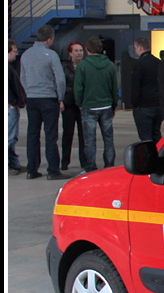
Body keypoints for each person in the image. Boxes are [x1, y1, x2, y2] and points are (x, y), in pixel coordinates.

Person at [19, 24, 68, 180]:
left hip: (32, 99)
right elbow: (60, 79)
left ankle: (31, 170)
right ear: (49, 40)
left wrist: (29, 93)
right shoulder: (51, 55)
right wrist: (60, 97)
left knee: (32, 134)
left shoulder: (25, 55)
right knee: (50, 135)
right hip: (48, 99)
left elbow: (23, 78)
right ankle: (53, 170)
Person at [75, 36, 117, 173]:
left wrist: (80, 103)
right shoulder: (110, 65)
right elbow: (114, 88)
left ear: (87, 50)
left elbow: (78, 88)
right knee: (108, 139)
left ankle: (91, 168)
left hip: (89, 107)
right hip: (106, 106)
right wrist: (114, 105)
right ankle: (109, 166)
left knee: (89, 141)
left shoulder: (82, 66)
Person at [60, 41, 87, 171]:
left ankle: (84, 161)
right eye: (76, 51)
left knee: (84, 134)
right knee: (68, 134)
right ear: (70, 53)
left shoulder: (86, 66)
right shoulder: (64, 66)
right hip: (68, 104)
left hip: (82, 104)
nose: (79, 53)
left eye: (81, 50)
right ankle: (65, 161)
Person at [131, 37, 163, 142]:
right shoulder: (159, 62)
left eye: (135, 48)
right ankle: (160, 156)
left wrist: (135, 105)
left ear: (140, 48)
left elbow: (135, 87)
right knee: (156, 134)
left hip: (144, 107)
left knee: (146, 139)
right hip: (158, 105)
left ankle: (150, 158)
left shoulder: (139, 64)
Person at [8, 40, 25, 175]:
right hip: (10, 107)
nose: (16, 54)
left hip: (11, 105)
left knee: (12, 138)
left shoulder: (11, 67)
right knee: (9, 138)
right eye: (14, 51)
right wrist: (14, 103)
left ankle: (14, 163)